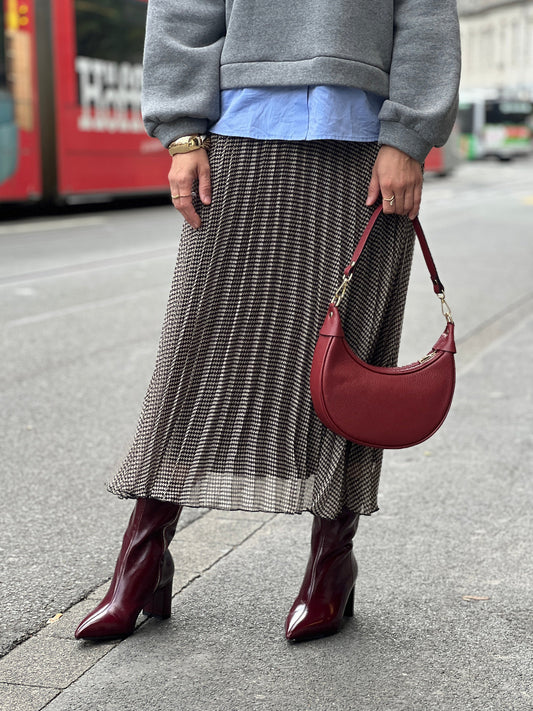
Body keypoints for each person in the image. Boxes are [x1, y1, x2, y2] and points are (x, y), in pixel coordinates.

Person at [75, 0, 461, 643]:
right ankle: (143, 558)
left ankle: (332, 563)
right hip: (240, 136)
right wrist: (183, 133)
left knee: (346, 363)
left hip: (366, 150)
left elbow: (425, 16)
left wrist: (407, 135)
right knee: (194, 357)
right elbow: (182, 10)